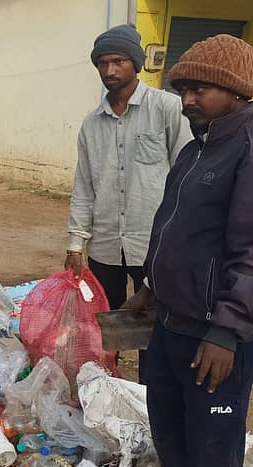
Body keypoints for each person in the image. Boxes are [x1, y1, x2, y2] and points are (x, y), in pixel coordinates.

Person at [127, 35, 253, 467]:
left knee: (214, 459)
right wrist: (150, 286)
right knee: (172, 441)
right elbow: (174, 229)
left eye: (201, 88)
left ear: (238, 91)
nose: (186, 99)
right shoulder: (197, 150)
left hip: (216, 340)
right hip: (170, 328)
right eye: (182, 88)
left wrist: (226, 332)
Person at [66, 24, 192, 310]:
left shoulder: (167, 109)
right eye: (103, 63)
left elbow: (186, 179)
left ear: (136, 63)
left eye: (118, 62)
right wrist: (75, 244)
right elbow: (84, 187)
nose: (110, 71)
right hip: (105, 246)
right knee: (107, 323)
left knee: (154, 325)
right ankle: (110, 358)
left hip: (154, 244)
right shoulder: (91, 123)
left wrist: (181, 241)